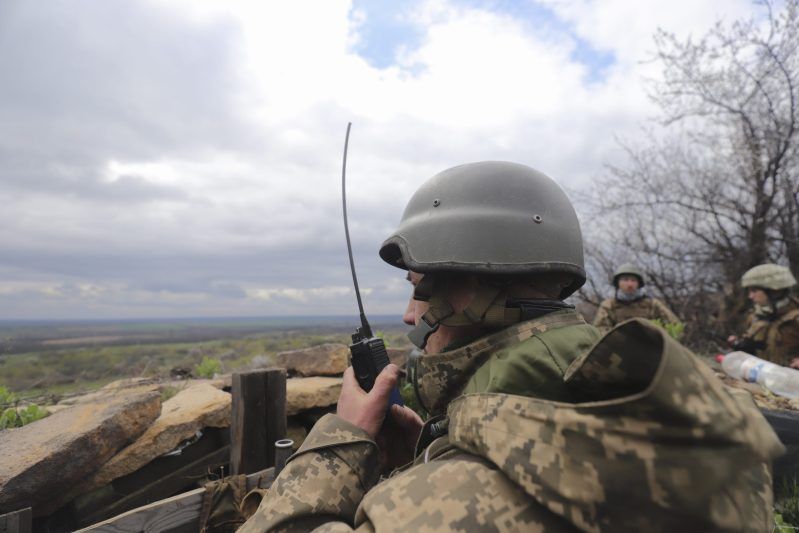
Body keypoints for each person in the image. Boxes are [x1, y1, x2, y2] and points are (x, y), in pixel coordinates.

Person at [239, 162, 781, 532]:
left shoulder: (434, 505)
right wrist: (437, 452)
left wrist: (345, 439)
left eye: (416, 290)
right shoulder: (672, 411)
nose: (409, 317)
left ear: (472, 290)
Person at [728, 263, 799, 368]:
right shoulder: (755, 317)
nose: (750, 296)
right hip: (762, 378)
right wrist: (740, 345)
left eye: (754, 291)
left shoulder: (795, 317)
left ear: (774, 291)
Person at [592, 263, 680, 333]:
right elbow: (599, 330)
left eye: (633, 280)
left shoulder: (652, 304)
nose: (630, 284)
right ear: (618, 283)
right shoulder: (609, 305)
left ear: (638, 283)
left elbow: (675, 326)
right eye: (625, 280)